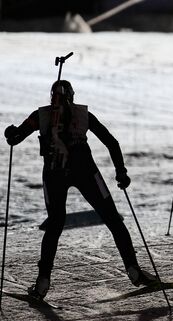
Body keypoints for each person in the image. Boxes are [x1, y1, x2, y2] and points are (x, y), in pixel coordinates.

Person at [4, 80, 157, 300]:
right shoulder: (83, 114)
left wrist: (11, 133)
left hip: (54, 172)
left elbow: (15, 138)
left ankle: (42, 283)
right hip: (85, 169)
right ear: (72, 97)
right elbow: (111, 142)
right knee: (113, 220)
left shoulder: (41, 115)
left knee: (55, 225)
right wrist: (120, 171)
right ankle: (133, 269)